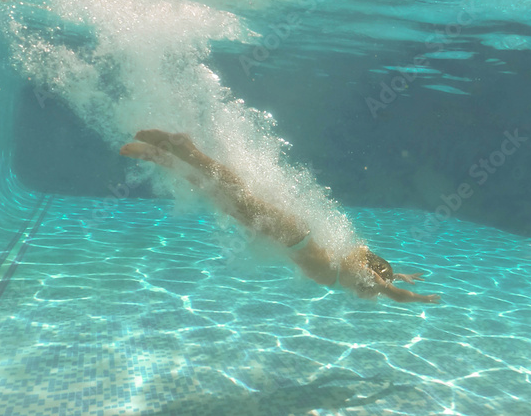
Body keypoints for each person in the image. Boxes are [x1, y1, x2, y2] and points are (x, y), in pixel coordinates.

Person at [120, 129, 440, 303]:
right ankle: (188, 150)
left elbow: (383, 278)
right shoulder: (362, 276)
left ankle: (163, 158)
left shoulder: (355, 274)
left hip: (288, 237)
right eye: (379, 284)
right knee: (237, 195)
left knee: (226, 201)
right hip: (291, 235)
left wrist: (399, 274)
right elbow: (393, 294)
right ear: (374, 276)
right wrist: (419, 298)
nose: (373, 294)